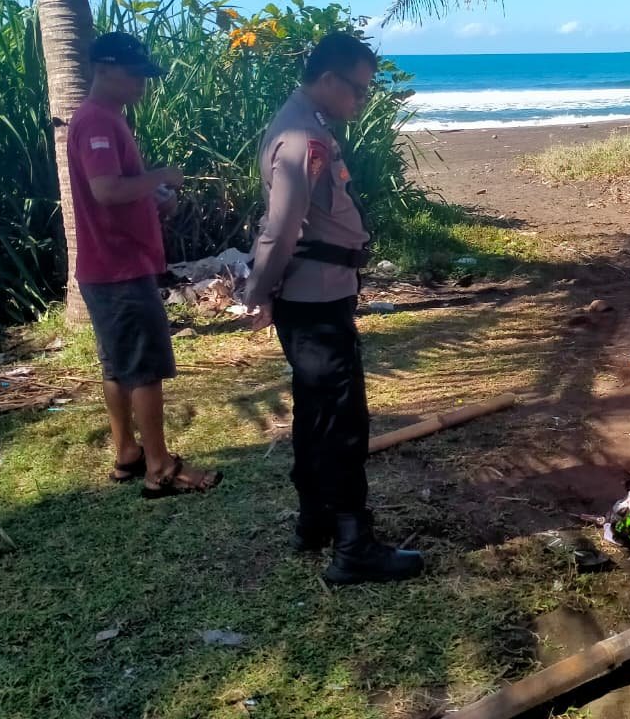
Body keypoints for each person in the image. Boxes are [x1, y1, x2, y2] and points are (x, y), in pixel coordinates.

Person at [244, 32, 423, 585]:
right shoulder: (302, 139)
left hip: (319, 292)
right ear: (327, 80)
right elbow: (281, 228)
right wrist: (258, 292)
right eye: (357, 89)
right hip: (315, 299)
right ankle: (353, 545)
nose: (361, 101)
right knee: (341, 419)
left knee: (316, 410)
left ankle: (315, 520)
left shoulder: (308, 125)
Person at [67, 32, 222, 498]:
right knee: (145, 369)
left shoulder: (105, 118)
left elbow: (117, 188)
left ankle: (127, 453)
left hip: (106, 265)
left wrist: (154, 197)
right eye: (134, 75)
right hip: (120, 266)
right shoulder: (97, 121)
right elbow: (106, 190)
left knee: (118, 367)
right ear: (105, 69)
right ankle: (160, 468)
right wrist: (163, 176)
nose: (142, 84)